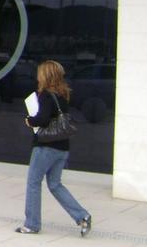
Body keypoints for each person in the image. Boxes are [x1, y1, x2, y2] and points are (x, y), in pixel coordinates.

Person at [16, 60, 92, 236]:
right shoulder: (63, 95)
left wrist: (29, 120)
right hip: (62, 147)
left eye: (40, 73)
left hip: (45, 147)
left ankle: (32, 224)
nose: (37, 76)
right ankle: (82, 215)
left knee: (34, 182)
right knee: (55, 184)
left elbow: (41, 119)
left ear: (45, 75)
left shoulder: (44, 95)